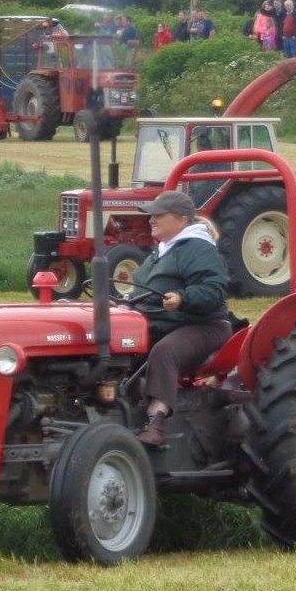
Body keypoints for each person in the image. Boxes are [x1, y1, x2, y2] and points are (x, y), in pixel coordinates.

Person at [130, 191, 233, 447]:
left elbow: (215, 289)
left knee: (165, 352)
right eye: (151, 215)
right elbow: (141, 293)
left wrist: (182, 297)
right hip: (164, 324)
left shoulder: (198, 248)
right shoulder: (160, 253)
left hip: (203, 326)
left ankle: (156, 422)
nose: (151, 220)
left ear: (182, 219)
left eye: (159, 215)